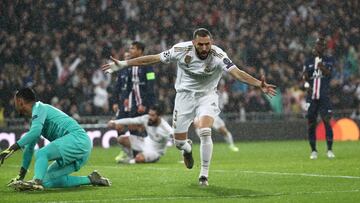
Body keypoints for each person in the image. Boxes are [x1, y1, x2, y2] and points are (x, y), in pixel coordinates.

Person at [102, 28, 276, 186]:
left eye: (207, 44)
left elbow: (237, 72)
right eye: (200, 44)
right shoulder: (180, 50)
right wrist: (124, 64)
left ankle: (204, 175)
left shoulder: (218, 55)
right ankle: (187, 149)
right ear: (194, 43)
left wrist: (258, 84)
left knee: (205, 130)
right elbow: (153, 59)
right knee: (179, 143)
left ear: (211, 42)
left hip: (207, 96)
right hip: (184, 97)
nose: (204, 48)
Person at [0, 87, 111, 191]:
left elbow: (35, 133)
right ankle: (91, 179)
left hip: (77, 139)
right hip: (81, 150)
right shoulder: (36, 118)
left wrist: (12, 148)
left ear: (20, 101)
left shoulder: (39, 107)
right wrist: (20, 176)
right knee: (47, 182)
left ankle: (36, 181)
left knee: (41, 153)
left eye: (15, 101)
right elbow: (29, 148)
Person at [112, 42, 157, 162]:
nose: (130, 50)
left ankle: (150, 151)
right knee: (132, 127)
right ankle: (136, 154)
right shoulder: (131, 66)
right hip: (134, 103)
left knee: (144, 127)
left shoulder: (148, 65)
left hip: (144, 102)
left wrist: (145, 103)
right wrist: (126, 98)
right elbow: (130, 85)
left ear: (140, 51)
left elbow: (151, 84)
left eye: (133, 48)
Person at [302, 36, 335, 160]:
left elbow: (329, 74)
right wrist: (306, 84)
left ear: (324, 48)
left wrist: (321, 66)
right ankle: (313, 150)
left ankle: (330, 149)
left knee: (327, 121)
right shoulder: (309, 61)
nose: (318, 47)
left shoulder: (329, 60)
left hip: (324, 96)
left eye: (321, 45)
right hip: (312, 97)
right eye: (317, 45)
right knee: (311, 123)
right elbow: (305, 76)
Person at [108, 105, 173, 164]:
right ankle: (130, 156)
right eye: (149, 114)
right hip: (144, 142)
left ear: (159, 116)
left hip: (155, 152)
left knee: (139, 158)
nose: (150, 117)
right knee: (121, 139)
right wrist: (115, 122)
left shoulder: (165, 128)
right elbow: (131, 120)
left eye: (153, 115)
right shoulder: (146, 119)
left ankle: (130, 161)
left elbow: (176, 138)